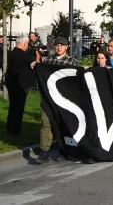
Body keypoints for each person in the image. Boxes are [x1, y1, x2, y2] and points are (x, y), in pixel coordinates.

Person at [34, 37, 78, 165]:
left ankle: (62, 149)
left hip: (64, 99)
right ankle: (44, 152)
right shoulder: (48, 60)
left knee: (62, 124)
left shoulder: (72, 62)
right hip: (48, 98)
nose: (59, 47)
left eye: (62, 45)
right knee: (45, 123)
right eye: (57, 45)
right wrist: (36, 64)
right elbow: (39, 71)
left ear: (66, 47)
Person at [5, 35, 36, 137]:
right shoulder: (24, 55)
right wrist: (38, 57)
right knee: (19, 108)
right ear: (24, 44)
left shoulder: (11, 53)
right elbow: (34, 65)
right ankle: (15, 131)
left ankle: (9, 129)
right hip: (21, 85)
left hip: (11, 83)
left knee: (13, 106)